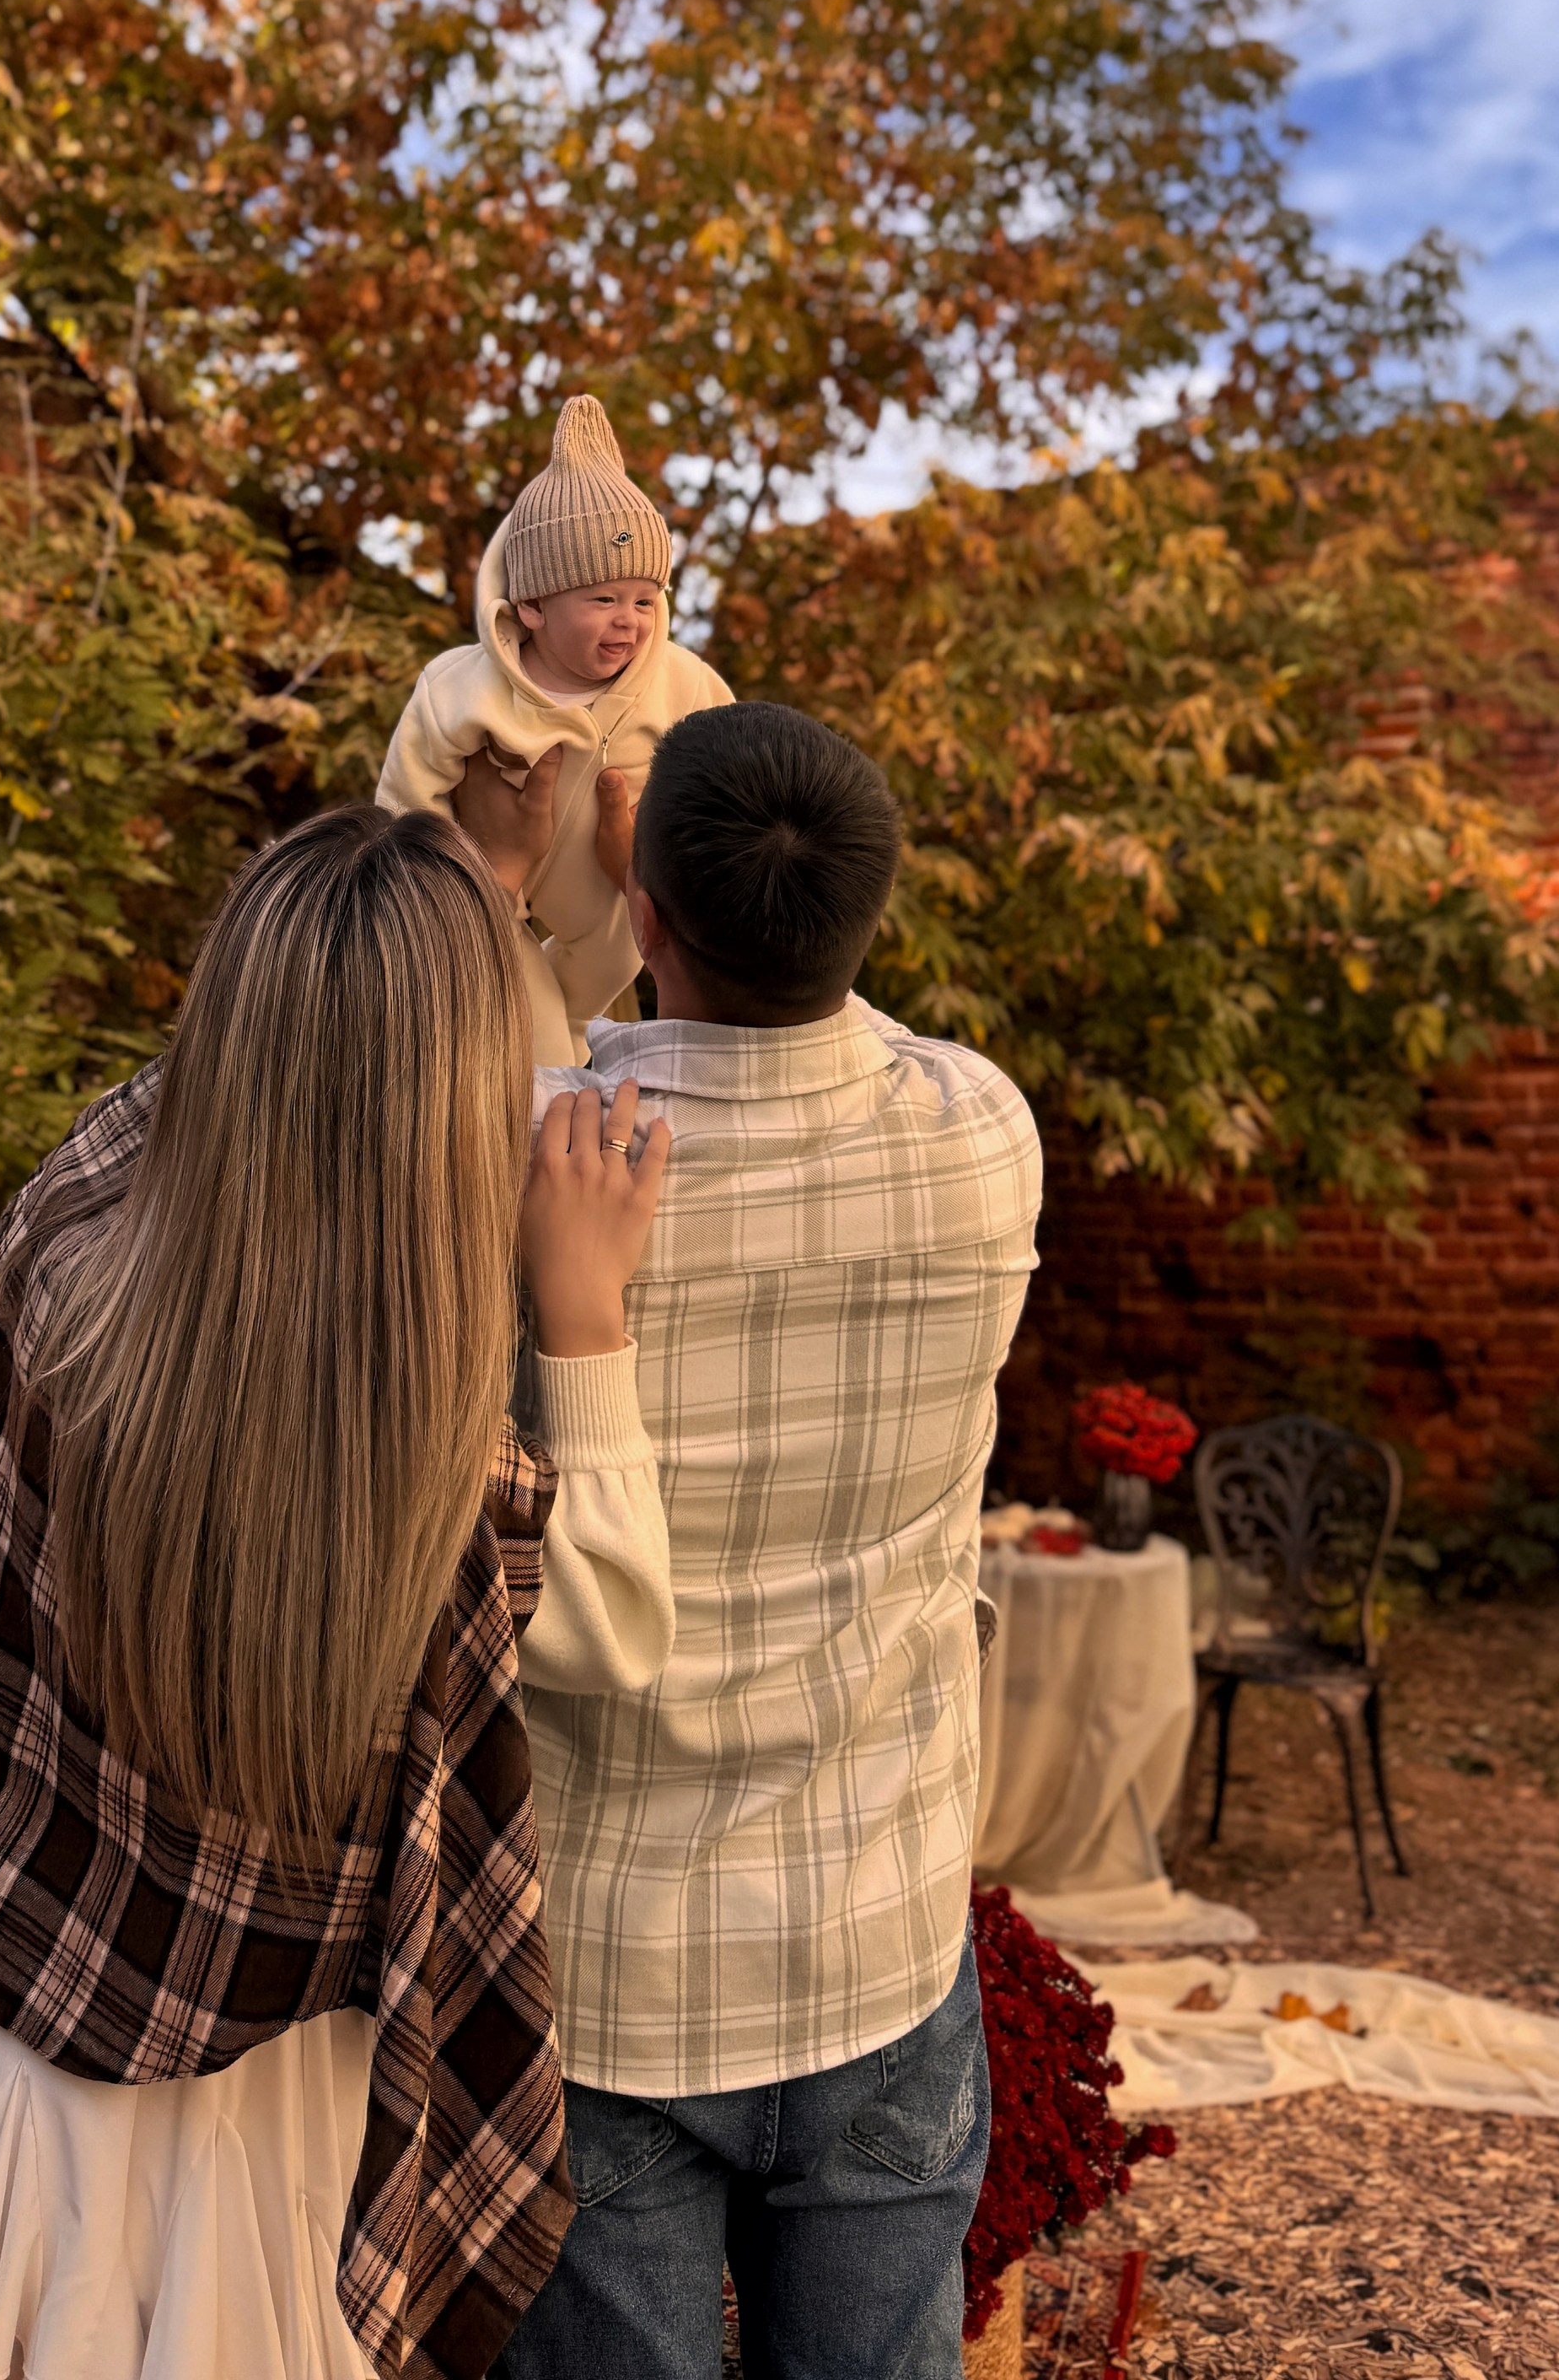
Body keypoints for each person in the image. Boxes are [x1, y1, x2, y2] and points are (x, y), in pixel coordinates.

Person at [0, 805, 678, 2380]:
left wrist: (454, 905)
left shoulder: (56, 1259)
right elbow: (614, 1635)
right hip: (243, 2155)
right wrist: (583, 1318)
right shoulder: (441, 1473)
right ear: (458, 1102)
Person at [460, 700, 1042, 2380]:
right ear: (872, 907)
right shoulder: (981, 1131)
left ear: (640, 908)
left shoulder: (532, 1153)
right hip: (876, 1924)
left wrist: (495, 881)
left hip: (604, 1966)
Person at [377, 395, 732, 1062]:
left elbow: (730, 770)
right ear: (533, 606)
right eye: (602, 600)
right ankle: (555, 1059)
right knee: (531, 1018)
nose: (628, 621)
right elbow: (406, 795)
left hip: (611, 888)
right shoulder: (463, 686)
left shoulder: (681, 682)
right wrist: (434, 884)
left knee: (616, 949)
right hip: (486, 890)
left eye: (644, 601)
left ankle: (574, 1031)